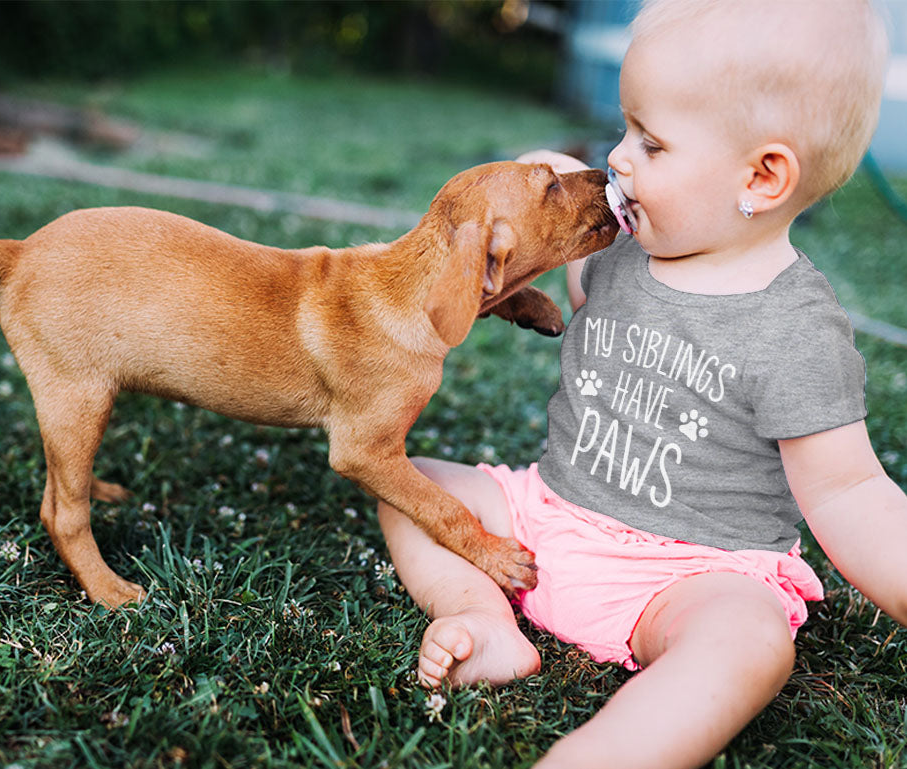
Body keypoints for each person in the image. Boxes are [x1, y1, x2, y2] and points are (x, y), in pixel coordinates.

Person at [377, 1, 906, 766]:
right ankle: (481, 613)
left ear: (762, 176)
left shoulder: (796, 328)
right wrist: (539, 174)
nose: (618, 160)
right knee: (412, 483)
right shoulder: (620, 249)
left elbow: (850, 492)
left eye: (650, 143)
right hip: (545, 521)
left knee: (748, 639)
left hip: (690, 574)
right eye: (624, 129)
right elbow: (550, 191)